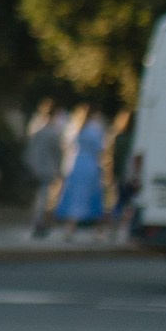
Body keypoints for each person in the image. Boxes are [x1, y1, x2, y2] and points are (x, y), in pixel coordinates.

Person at [55, 102, 108, 237]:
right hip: (90, 164)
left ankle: (69, 228)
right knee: (94, 196)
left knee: (74, 196)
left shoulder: (76, 127)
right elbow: (100, 149)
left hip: (77, 164)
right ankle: (98, 231)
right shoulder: (95, 129)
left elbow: (67, 145)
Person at [22, 99, 65, 237]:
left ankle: (37, 222)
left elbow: (29, 150)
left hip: (35, 167)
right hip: (46, 169)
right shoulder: (52, 133)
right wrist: (58, 170)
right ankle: (39, 224)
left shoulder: (37, 130)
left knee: (39, 198)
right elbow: (57, 153)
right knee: (43, 198)